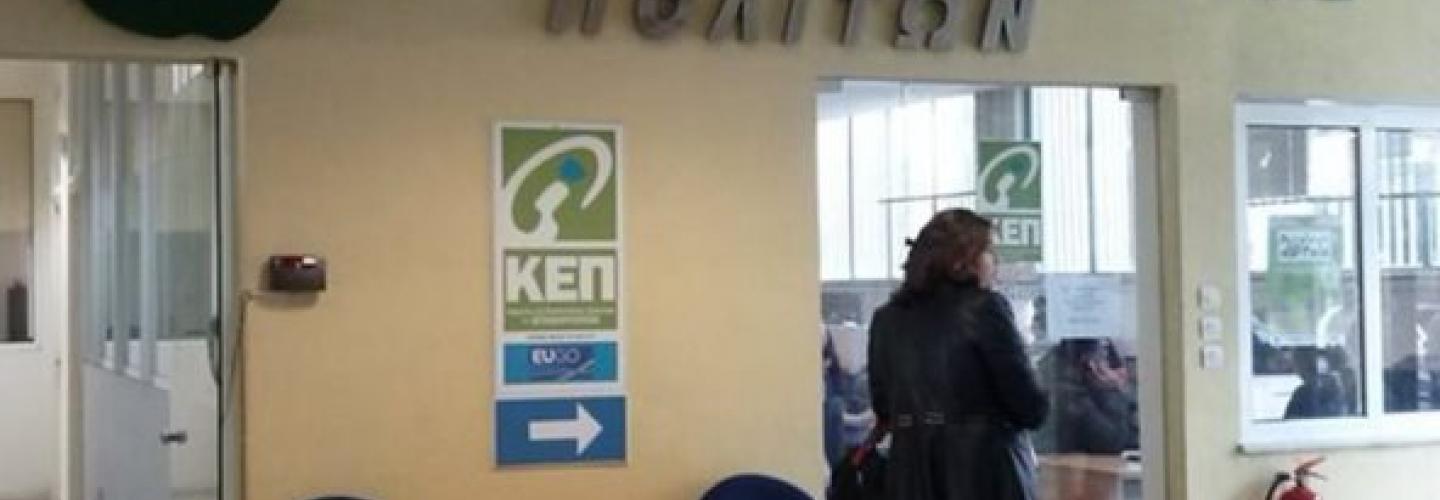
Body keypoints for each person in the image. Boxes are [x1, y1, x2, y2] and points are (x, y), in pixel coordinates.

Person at [867, 209, 1048, 500]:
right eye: (989, 252)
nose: (995, 263)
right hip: (981, 475)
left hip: (910, 475)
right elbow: (1030, 407)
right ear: (963, 260)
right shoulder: (984, 309)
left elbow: (884, 405)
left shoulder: (886, 319)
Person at [1037, 338, 1139, 456]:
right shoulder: (1068, 392)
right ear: (1092, 364)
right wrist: (1112, 389)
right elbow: (1112, 442)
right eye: (1105, 355)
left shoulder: (1080, 381)